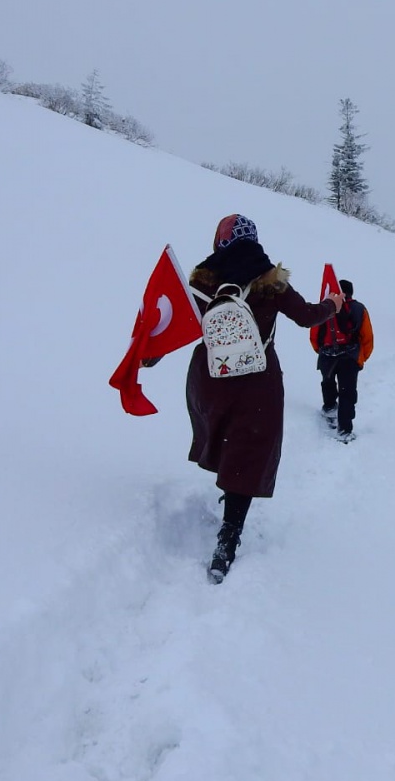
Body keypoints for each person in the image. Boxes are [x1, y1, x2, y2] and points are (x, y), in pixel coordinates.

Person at [148, 213, 344, 584]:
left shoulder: (202, 280)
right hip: (257, 380)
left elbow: (173, 324)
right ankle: (229, 535)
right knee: (250, 450)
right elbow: (306, 317)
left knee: (222, 434)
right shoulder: (272, 282)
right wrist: (333, 304)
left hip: (210, 377)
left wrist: (149, 354)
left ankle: (227, 499)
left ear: (219, 241)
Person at [309, 279, 374, 442]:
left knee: (328, 383)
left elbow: (314, 334)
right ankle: (344, 430)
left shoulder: (325, 307)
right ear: (351, 292)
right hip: (350, 357)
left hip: (327, 355)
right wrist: (361, 357)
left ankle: (330, 410)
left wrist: (321, 351)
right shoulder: (359, 308)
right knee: (347, 393)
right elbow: (367, 337)